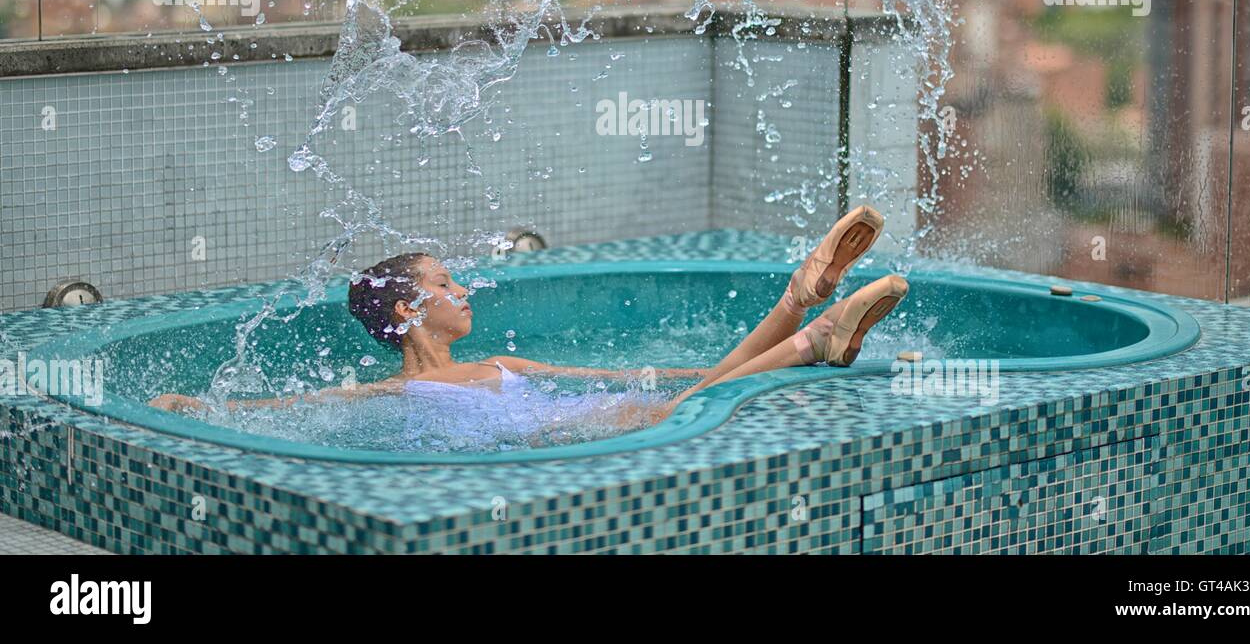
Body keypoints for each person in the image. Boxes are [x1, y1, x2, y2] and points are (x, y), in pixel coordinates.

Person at [151, 205, 908, 432]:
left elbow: (631, 375)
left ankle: (806, 308)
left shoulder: (512, 365)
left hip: (599, 416)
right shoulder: (385, 393)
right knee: (689, 401)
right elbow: (287, 408)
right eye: (446, 284)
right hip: (560, 438)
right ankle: (808, 323)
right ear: (411, 309)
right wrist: (193, 406)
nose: (464, 290)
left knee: (696, 390)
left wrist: (679, 374)